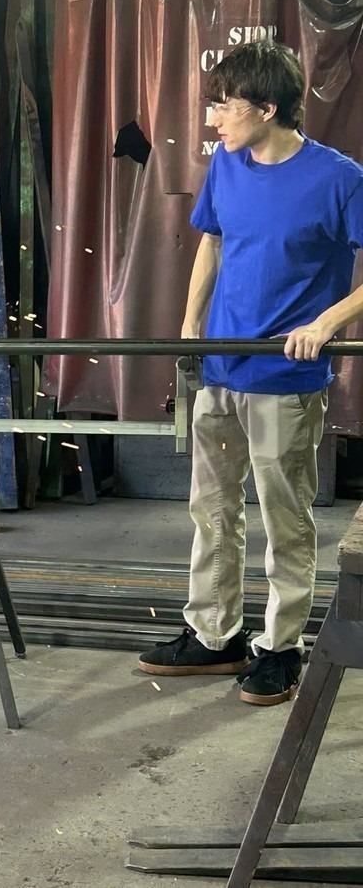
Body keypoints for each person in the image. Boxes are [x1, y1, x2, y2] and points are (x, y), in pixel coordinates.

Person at [137, 40, 363, 705]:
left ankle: (282, 647)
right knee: (211, 510)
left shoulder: (339, 177)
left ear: (268, 107)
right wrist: (189, 322)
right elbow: (213, 240)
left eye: (224, 106)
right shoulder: (227, 166)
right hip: (222, 370)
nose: (213, 119)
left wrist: (327, 323)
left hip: (285, 383)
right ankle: (214, 635)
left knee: (285, 520)